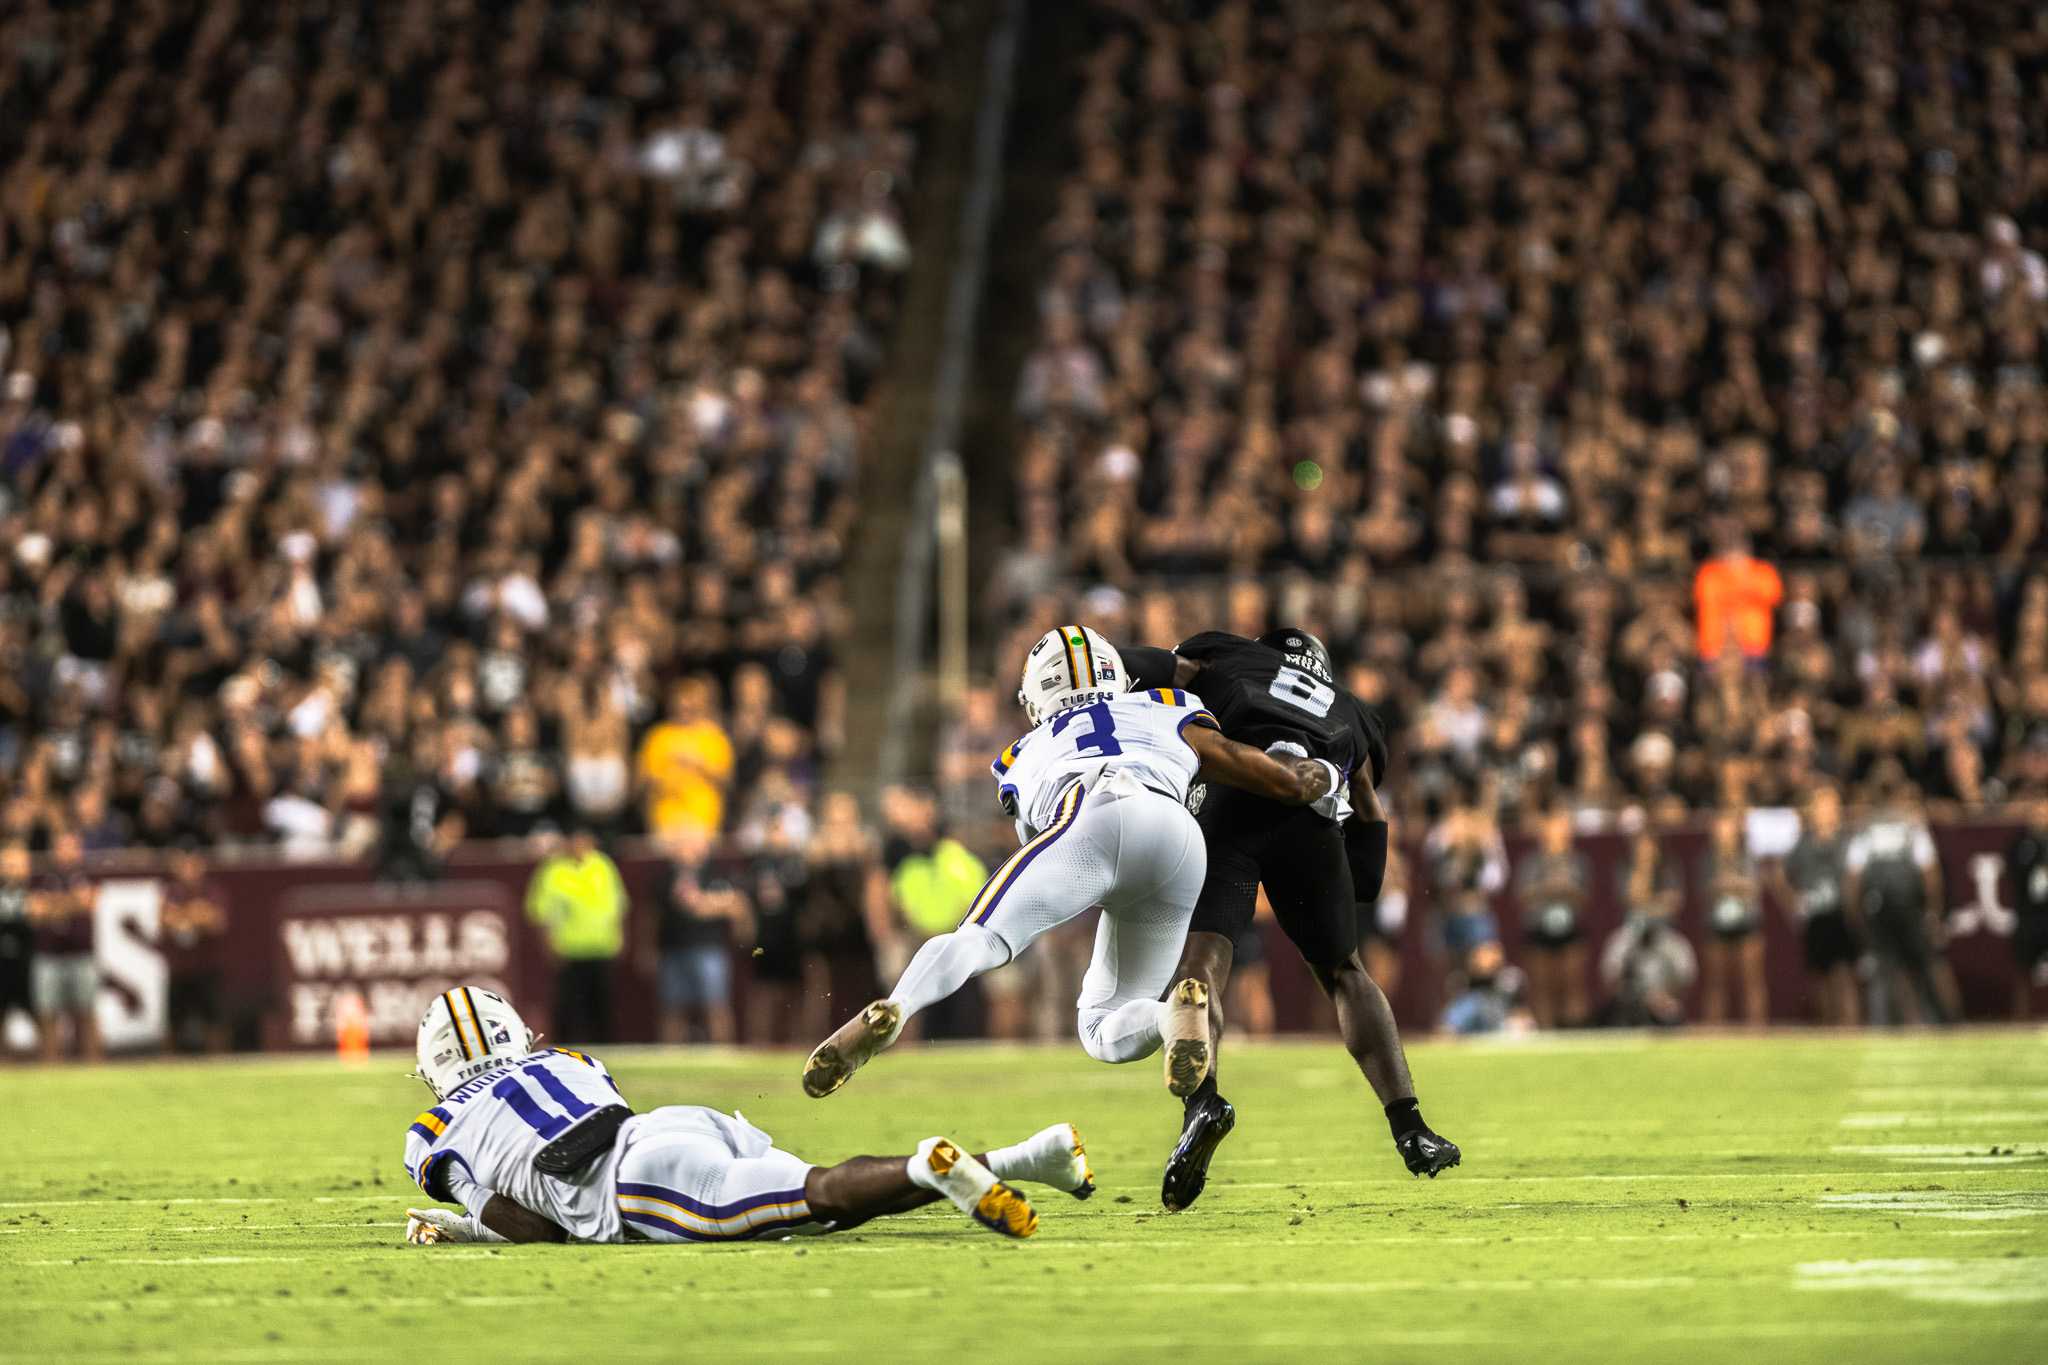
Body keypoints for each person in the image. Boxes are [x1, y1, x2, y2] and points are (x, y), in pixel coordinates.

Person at [802, 625, 1337, 1105]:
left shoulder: (1022, 750)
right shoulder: (1167, 706)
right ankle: (1171, 1014)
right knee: (1106, 1024)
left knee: (980, 939)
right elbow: (1257, 770)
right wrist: (1322, 772)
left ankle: (896, 1008)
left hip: (1090, 818)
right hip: (1178, 840)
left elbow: (1045, 845)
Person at [1122, 627, 1459, 1211]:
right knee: (1345, 972)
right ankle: (1412, 1129)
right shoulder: (1352, 709)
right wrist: (1353, 885)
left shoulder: (1227, 653)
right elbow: (1369, 818)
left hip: (1231, 791)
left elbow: (1153, 667)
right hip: (1309, 820)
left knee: (1202, 961)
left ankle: (1202, 1104)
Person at [399, 987, 1090, 1245]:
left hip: (633, 1182)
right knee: (826, 1210)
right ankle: (1030, 1156)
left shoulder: (434, 1129)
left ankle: (924, 1159)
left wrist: (469, 1225)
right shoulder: (570, 1059)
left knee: (818, 1196)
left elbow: (530, 1226)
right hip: (675, 1126)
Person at [1844, 768, 1957, 1025]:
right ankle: (1927, 1022)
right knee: (1920, 966)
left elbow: (1853, 877)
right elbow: (1930, 872)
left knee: (1904, 968)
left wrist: (1855, 914)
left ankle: (1927, 1021)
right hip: (1903, 906)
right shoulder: (1908, 825)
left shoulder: (1873, 827)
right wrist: (1933, 910)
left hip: (1885, 907)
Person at [525, 830, 630, 1044]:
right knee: (568, 1004)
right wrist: (548, 944)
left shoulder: (603, 865)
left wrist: (620, 935)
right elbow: (541, 912)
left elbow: (618, 904)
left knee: (602, 1002)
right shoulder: (553, 869)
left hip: (601, 946)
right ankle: (564, 1045)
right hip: (568, 948)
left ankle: (605, 1045)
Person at [646, 828, 749, 1045]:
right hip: (673, 948)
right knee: (672, 1008)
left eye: (692, 842)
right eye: (681, 843)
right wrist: (648, 948)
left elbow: (738, 905)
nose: (686, 848)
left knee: (715, 1005)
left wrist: (704, 903)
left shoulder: (718, 873)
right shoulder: (665, 876)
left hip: (709, 948)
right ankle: (670, 1057)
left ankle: (723, 1054)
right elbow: (652, 917)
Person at [1772, 785, 1859, 1025]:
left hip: (1841, 915)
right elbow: (1779, 875)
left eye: (1831, 805)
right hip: (1816, 916)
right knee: (1820, 978)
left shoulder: (1847, 839)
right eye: (1821, 806)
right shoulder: (1804, 843)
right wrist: (1793, 905)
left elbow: (1856, 875)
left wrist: (1855, 908)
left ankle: (1849, 1028)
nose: (1826, 811)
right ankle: (1829, 1028)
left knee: (1844, 975)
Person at [1514, 809, 1591, 1027]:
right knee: (1542, 985)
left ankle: (1574, 1030)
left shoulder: (1578, 861)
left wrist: (1565, 888)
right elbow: (1523, 895)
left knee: (1573, 983)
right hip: (1539, 928)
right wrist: (1549, 887)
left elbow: (1584, 895)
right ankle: (1545, 1031)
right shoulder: (1531, 862)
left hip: (1571, 928)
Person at [32, 832, 101, 1063]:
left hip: (81, 953)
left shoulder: (87, 875)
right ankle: (51, 1064)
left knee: (87, 1012)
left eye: (71, 847)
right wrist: (73, 902)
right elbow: (36, 912)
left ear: (79, 850)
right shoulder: (43, 877)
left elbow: (89, 903)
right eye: (62, 847)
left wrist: (54, 903)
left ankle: (94, 1063)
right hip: (50, 954)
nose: (67, 852)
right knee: (48, 1014)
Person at [636, 677, 735, 837]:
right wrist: (667, 779)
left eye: (691, 706)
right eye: (680, 705)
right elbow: (643, 782)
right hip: (666, 818)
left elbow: (726, 782)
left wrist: (699, 764)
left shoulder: (714, 737)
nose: (685, 709)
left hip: (704, 820)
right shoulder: (658, 736)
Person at [1698, 810, 1767, 1027]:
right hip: (1717, 925)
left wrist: (1728, 885)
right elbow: (1706, 890)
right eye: (1721, 829)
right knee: (1715, 983)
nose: (1724, 834)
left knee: (1752, 981)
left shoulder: (1747, 858)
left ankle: (1756, 1030)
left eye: (1728, 829)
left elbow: (1753, 888)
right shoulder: (1707, 860)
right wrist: (1732, 885)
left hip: (1747, 924)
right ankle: (1715, 1031)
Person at [160, 845, 231, 1053]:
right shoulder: (171, 891)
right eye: (185, 865)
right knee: (173, 1021)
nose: (189, 870)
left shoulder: (212, 890)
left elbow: (216, 920)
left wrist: (183, 915)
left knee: (214, 1020)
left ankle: (219, 1063)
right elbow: (164, 919)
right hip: (179, 968)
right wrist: (195, 913)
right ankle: (168, 1066)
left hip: (207, 966)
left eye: (193, 865)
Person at [1596, 894, 1698, 1028]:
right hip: (1629, 1001)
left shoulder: (1676, 943)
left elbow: (1685, 979)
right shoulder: (1621, 940)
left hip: (1666, 1000)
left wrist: (1664, 997)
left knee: (1672, 1014)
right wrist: (1643, 997)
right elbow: (1610, 980)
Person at [2008, 794, 2048, 1019]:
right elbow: (2018, 877)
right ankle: (2020, 1021)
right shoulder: (2020, 844)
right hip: (2029, 917)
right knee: (2023, 972)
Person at [1439, 942, 1533, 1035]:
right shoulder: (1462, 982)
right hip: (1472, 1026)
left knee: (1518, 1023)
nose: (1486, 959)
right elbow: (1454, 1016)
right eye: (1480, 955)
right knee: (1469, 1005)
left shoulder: (1510, 978)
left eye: (1490, 954)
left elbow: (1520, 1010)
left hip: (1501, 1023)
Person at [0, 844, 36, 1056]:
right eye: (6, 864)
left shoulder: (37, 888)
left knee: (39, 1011)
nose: (10, 869)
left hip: (27, 960)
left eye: (15, 864)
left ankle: (53, 1064)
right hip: (1, 962)